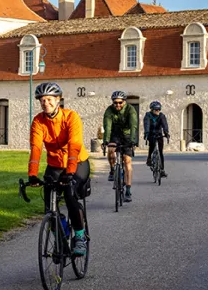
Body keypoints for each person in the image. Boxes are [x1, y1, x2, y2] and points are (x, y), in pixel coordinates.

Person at [28, 82, 90, 256]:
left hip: (77, 162)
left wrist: (70, 171)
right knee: (49, 207)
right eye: (41, 100)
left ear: (58, 100)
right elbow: (36, 148)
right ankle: (62, 232)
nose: (45, 103)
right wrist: (32, 174)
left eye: (48, 99)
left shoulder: (71, 117)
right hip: (54, 165)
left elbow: (74, 145)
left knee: (70, 195)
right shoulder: (38, 121)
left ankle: (79, 237)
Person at [102, 91, 138, 202]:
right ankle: (112, 170)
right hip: (114, 133)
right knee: (111, 151)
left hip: (127, 134)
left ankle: (128, 190)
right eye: (115, 103)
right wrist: (106, 141)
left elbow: (133, 126)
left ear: (124, 101)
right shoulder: (109, 110)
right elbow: (107, 127)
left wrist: (132, 141)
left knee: (127, 161)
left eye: (120, 102)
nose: (117, 105)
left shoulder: (130, 110)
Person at [144, 101, 169, 177]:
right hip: (151, 133)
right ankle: (149, 158)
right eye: (156, 110)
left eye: (159, 110)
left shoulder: (161, 116)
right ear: (152, 110)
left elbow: (164, 124)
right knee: (151, 145)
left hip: (159, 134)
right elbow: (147, 124)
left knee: (160, 152)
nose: (158, 111)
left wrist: (166, 133)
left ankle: (162, 170)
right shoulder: (148, 116)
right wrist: (147, 133)